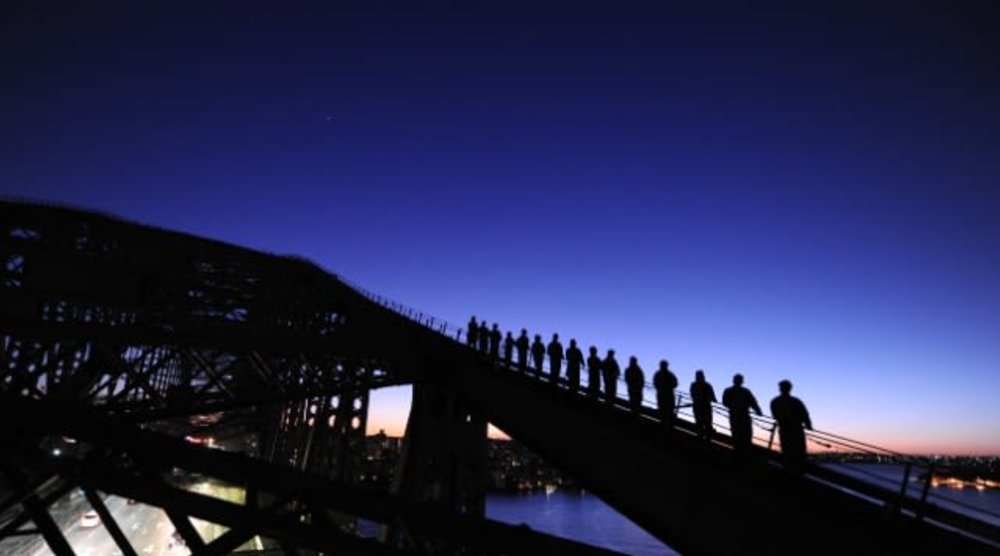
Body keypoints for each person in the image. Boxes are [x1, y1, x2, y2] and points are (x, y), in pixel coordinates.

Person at [770, 379, 812, 473]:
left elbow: (775, 415)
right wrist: (808, 425)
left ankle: (788, 469)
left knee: (786, 449)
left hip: (784, 429)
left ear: (780, 389)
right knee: (799, 450)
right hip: (796, 429)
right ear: (790, 389)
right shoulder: (796, 401)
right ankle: (799, 470)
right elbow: (805, 414)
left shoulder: (775, 401)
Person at [722, 373, 762, 453]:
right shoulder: (746, 391)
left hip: (734, 415)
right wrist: (758, 411)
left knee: (736, 433)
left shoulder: (728, 390)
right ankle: (745, 452)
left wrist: (733, 407)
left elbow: (725, 402)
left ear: (733, 381)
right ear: (742, 381)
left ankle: (737, 451)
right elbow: (753, 402)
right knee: (747, 434)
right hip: (744, 416)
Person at [690, 370, 717, 439]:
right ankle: (708, 436)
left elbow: (692, 395)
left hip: (697, 405)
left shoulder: (693, 385)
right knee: (707, 422)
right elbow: (713, 397)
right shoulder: (707, 385)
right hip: (706, 406)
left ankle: (700, 434)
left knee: (699, 421)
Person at [653, 360, 678, 428]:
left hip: (665, 395)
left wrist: (663, 387)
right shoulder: (669, 374)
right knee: (665, 410)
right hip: (666, 395)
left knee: (667, 410)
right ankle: (667, 424)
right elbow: (675, 383)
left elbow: (655, 383)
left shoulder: (658, 374)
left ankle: (666, 424)